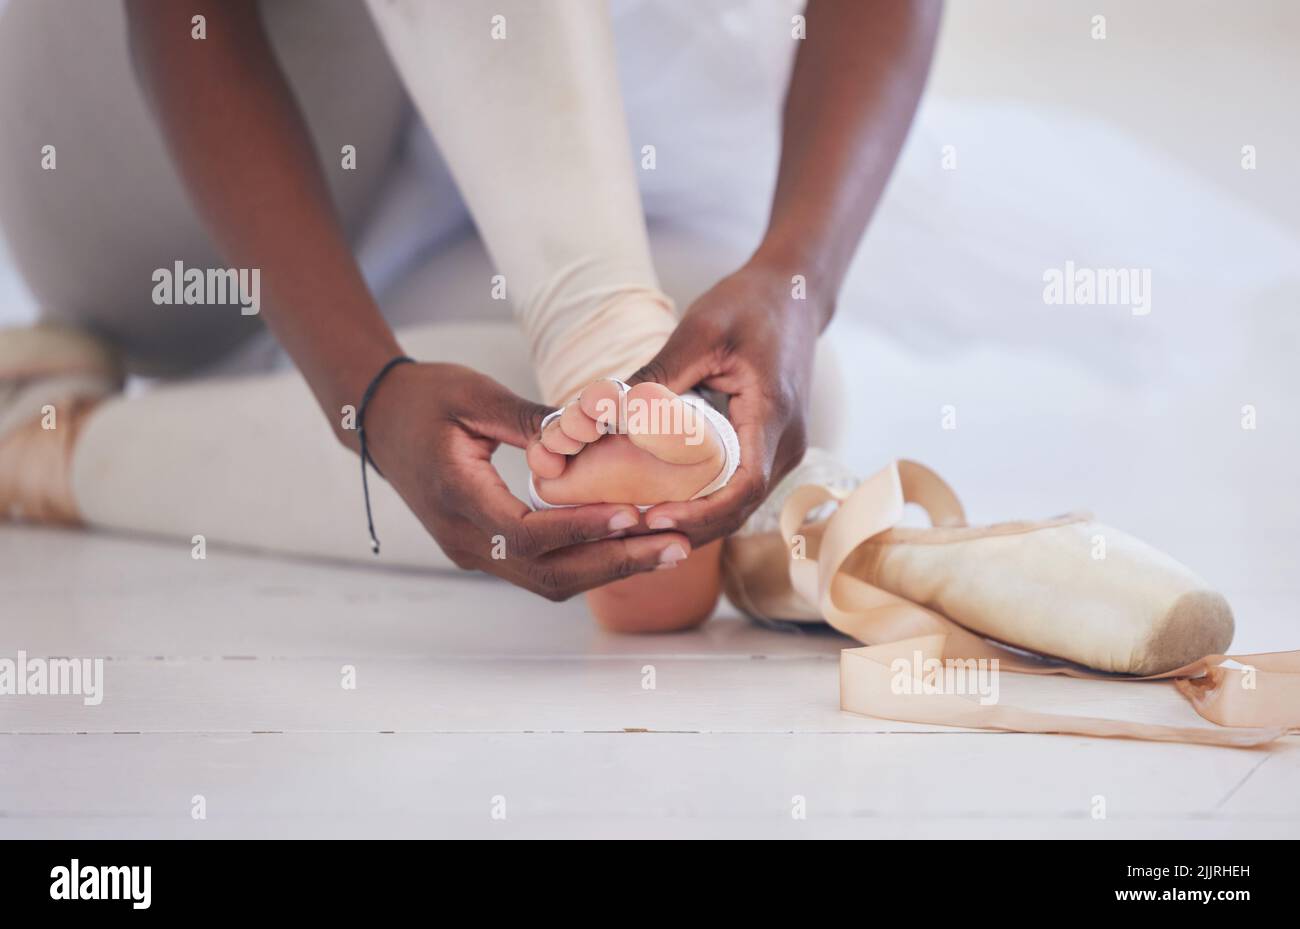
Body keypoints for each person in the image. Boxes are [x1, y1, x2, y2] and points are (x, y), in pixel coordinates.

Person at [0, 0, 941, 631]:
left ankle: (50, 444)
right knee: (675, 399)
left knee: (780, 390)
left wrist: (795, 277)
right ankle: (601, 336)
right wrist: (359, 395)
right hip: (143, 180)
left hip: (438, 207)